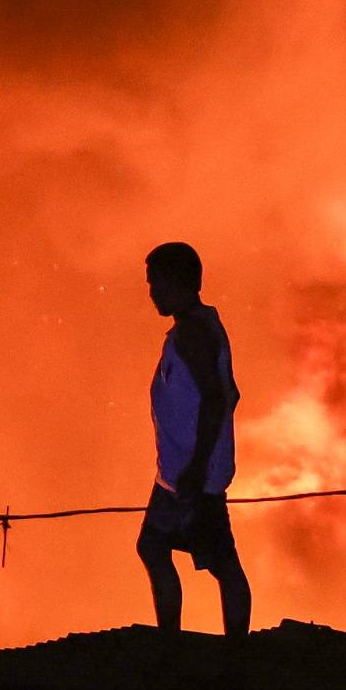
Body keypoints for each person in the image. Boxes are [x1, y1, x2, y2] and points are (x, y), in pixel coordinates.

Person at [136, 241, 252, 637]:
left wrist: (198, 467)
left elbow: (218, 398)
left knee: (220, 562)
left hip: (191, 476)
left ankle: (222, 648)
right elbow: (229, 393)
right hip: (179, 473)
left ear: (175, 282)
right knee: (156, 547)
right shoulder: (195, 329)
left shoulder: (193, 335)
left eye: (155, 283)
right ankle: (182, 640)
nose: (151, 291)